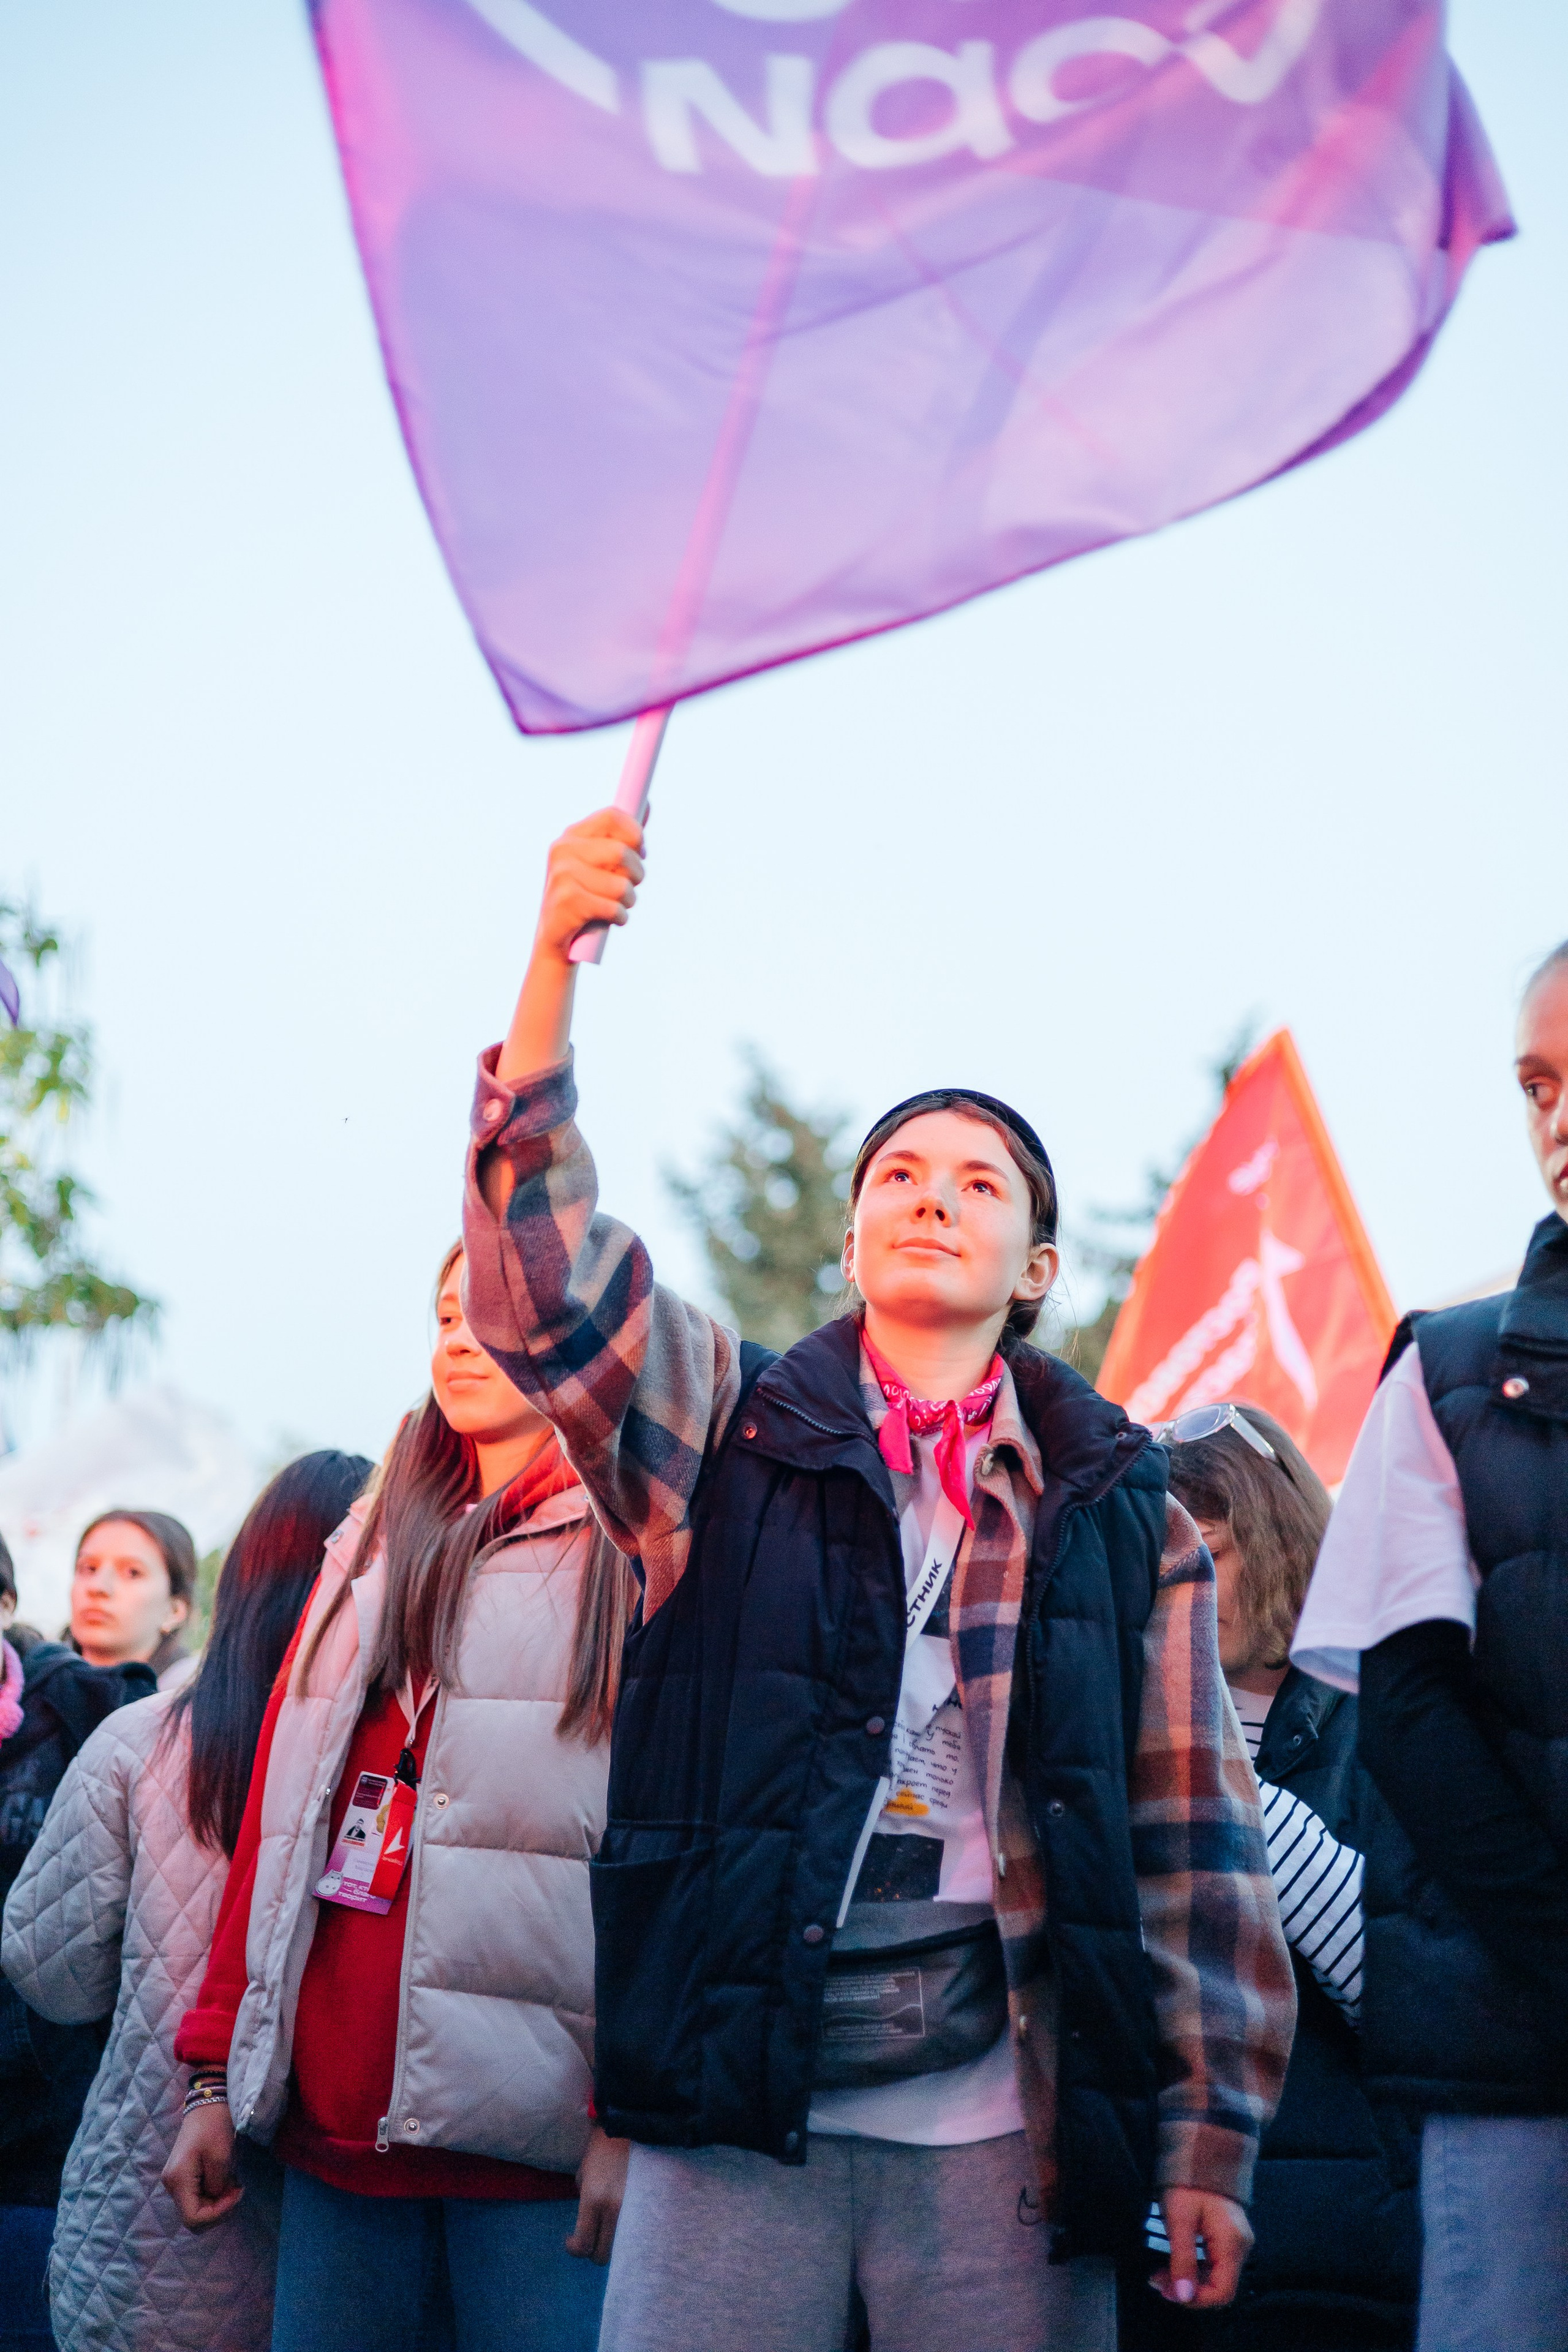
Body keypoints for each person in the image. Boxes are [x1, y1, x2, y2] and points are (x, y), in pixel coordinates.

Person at [458, 807, 1296, 2352]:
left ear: (1036, 1262)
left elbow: (1194, 1838)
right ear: (849, 1239)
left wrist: (1206, 2137)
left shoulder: (1124, 1510)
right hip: (733, 2106)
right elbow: (537, 1286)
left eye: (981, 1183)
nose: (933, 1194)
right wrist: (549, 963)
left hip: (1006, 2136)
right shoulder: (722, 1427)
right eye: (899, 1172)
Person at [163, 1243, 633, 2352]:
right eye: (445, 1312)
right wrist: (209, 2078)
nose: (461, 1336)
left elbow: (669, 1851)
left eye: (499, 1314)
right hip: (332, 2131)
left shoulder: (636, 1547)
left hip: (536, 2157)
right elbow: (282, 1832)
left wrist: (630, 2111)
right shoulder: (363, 1544)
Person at [1292, 938, 1568, 2352]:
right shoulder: (1444, 1370)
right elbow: (1406, 1707)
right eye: (1534, 1083)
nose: (1556, 1119)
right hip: (1511, 2049)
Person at [2, 1450, 371, 2352]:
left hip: (145, 2187)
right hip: (343, 2194)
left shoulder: (142, 1738)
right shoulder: (398, 1745)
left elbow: (50, 1973)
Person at [1121, 1402, 1418, 2352]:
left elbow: (1417, 1994)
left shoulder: (1394, 1716)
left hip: (1327, 2252)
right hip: (1127, 2253)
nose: (1171, 1588)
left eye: (1201, 1553)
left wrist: (1219, 1794)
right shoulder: (1089, 1744)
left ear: (1278, 1533)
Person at [0, 1530, 154, 2352]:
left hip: (40, 2125)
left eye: (130, 1573)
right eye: (90, 1567)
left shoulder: (91, 1714)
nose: (102, 1588)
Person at [70, 1509, 198, 1691]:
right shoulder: (25, 1683)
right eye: (89, 1568)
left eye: (132, 1573)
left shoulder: (196, 1709)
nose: (98, 1587)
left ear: (174, 1611)